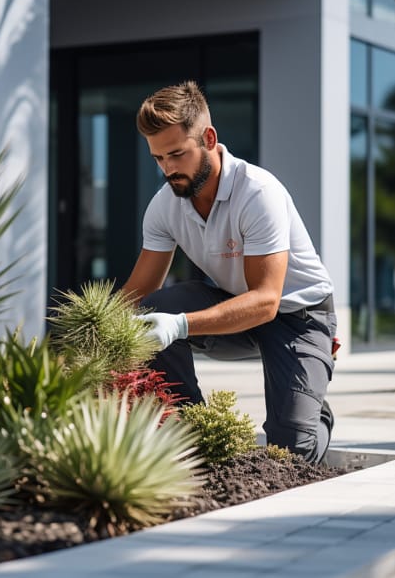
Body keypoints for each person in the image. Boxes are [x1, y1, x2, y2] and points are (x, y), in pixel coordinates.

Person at [122, 80, 337, 464]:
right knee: (148, 311)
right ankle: (192, 434)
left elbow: (267, 300)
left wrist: (180, 326)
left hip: (298, 317)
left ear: (207, 137)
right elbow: (138, 294)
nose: (168, 169)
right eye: (158, 159)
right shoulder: (164, 205)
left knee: (292, 455)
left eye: (176, 154)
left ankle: (312, 402)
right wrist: (90, 339)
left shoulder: (258, 192)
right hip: (238, 308)